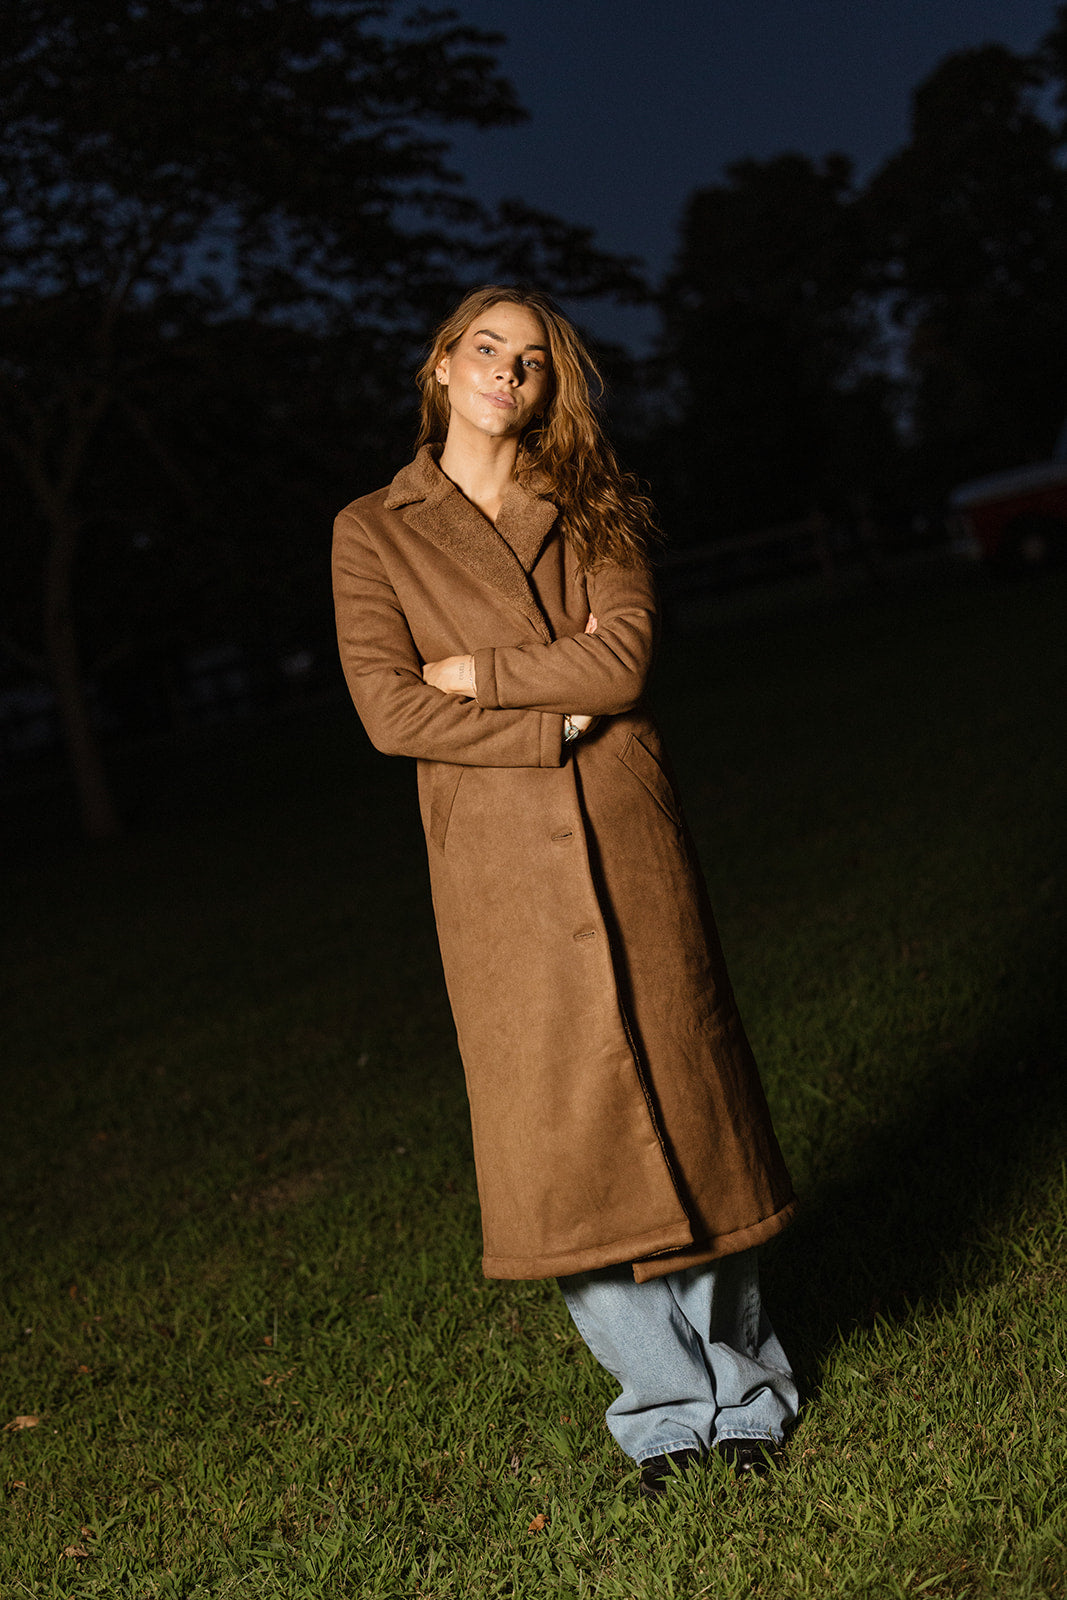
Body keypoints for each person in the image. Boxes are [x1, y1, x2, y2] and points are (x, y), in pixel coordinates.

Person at [331, 284, 799, 1499]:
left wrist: (477, 672)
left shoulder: (587, 502)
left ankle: (742, 1393)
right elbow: (389, 709)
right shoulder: (370, 529)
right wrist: (554, 721)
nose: (507, 370)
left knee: (684, 1099)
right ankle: (658, 1411)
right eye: (484, 348)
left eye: (531, 360)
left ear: (550, 387)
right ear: (439, 368)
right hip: (491, 867)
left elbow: (623, 657)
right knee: (559, 1142)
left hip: (626, 833)